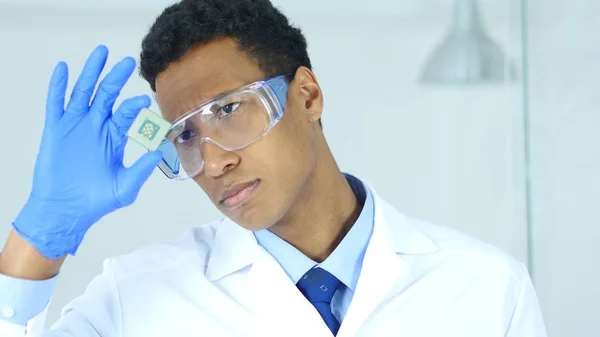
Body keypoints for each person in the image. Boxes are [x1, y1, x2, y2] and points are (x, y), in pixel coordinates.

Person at [0, 0, 547, 336]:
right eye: (186, 135)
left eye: (229, 110)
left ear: (307, 95)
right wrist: (38, 236)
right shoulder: (136, 297)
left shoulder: (483, 288)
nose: (213, 160)